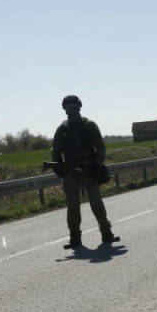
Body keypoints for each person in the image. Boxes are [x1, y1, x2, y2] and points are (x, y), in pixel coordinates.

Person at [52, 95, 119, 248]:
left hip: (89, 170)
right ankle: (75, 239)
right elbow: (56, 152)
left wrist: (96, 165)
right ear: (64, 109)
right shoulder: (62, 129)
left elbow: (100, 148)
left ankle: (107, 234)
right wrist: (60, 169)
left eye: (73, 106)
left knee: (96, 203)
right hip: (71, 172)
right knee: (73, 206)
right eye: (68, 106)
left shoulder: (89, 125)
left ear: (79, 106)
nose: (71, 109)